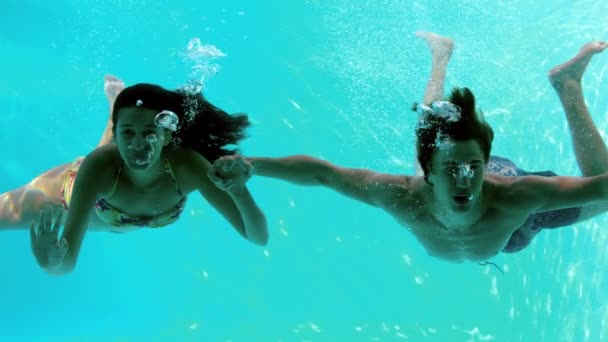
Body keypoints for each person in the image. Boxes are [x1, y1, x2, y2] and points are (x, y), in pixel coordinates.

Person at [212, 32, 608, 263]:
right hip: (437, 184)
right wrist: (250, 165)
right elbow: (322, 173)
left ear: (484, 161)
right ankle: (441, 55)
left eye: (473, 165)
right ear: (429, 170)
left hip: (515, 230)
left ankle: (567, 84)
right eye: (451, 169)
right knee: (432, 127)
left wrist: (462, 165)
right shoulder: (401, 195)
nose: (466, 180)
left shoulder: (520, 197)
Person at [1, 76, 268, 275]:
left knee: (114, 155)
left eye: (150, 133)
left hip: (112, 177)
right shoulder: (98, 168)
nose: (139, 145)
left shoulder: (188, 167)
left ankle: (115, 113)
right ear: (119, 135)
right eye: (127, 133)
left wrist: (239, 191)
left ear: (167, 135)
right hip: (65, 194)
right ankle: (113, 116)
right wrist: (48, 258)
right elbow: (66, 263)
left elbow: (258, 237)